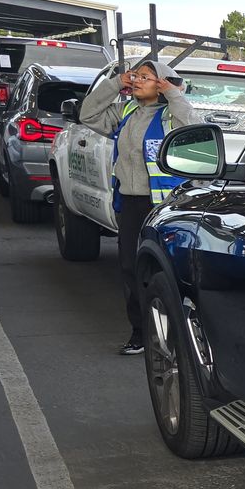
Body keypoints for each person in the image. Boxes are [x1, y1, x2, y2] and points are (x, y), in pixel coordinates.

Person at [79, 55, 193, 354]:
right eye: (136, 75)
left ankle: (178, 335)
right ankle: (141, 333)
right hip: (130, 203)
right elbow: (88, 114)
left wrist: (174, 94)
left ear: (162, 84)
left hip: (163, 207)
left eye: (145, 76)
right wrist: (117, 82)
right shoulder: (128, 110)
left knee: (166, 272)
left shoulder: (171, 114)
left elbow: (193, 127)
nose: (138, 80)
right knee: (131, 269)